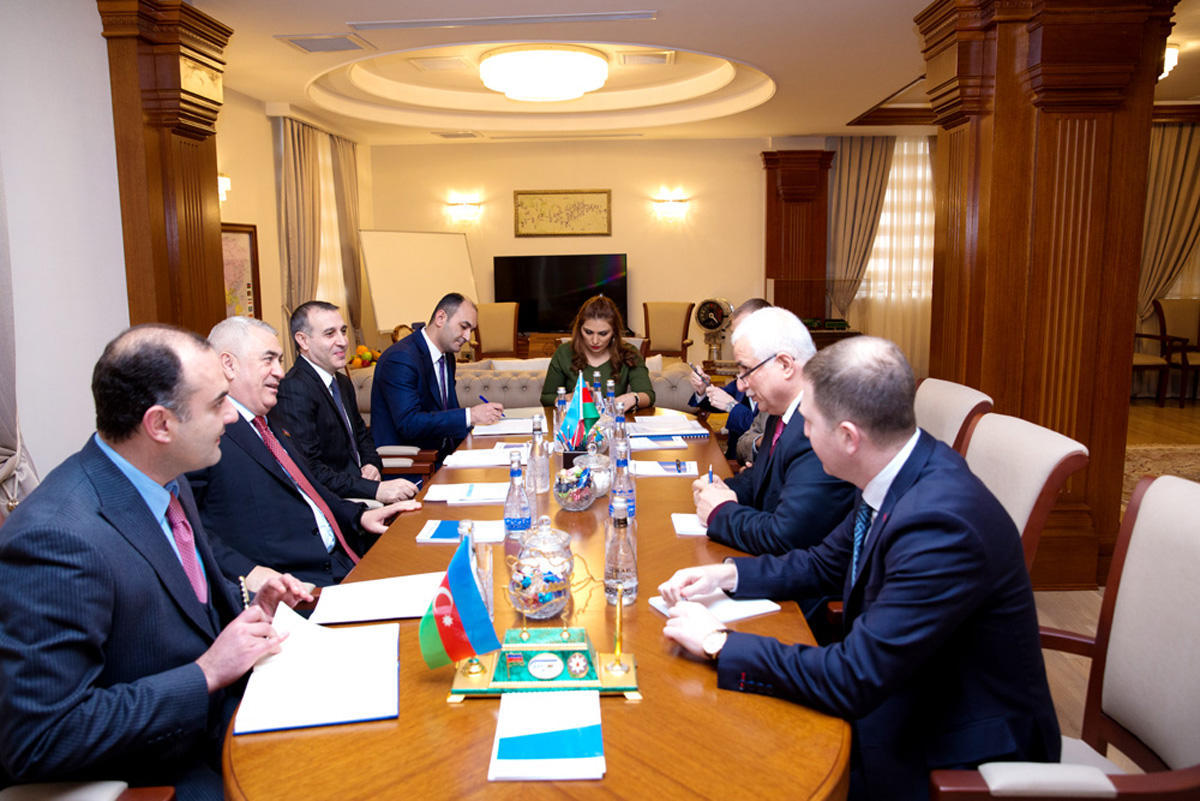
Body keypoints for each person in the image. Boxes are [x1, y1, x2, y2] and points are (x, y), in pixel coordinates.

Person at [660, 336, 1060, 801]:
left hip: (952, 751)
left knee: (736, 764)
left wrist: (718, 642)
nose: (801, 435)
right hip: (903, 690)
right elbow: (824, 562)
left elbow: (854, 678)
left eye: (809, 424)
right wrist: (727, 575)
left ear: (849, 437)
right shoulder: (898, 466)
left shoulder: (939, 525)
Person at [0, 325, 311, 801]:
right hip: (162, 772)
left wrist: (247, 608)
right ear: (160, 425)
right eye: (217, 404)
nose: (232, 415)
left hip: (232, 721)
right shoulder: (57, 537)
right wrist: (206, 673)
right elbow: (42, 737)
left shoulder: (167, 476)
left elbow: (180, 614)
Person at [188, 317, 419, 589]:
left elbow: (310, 490)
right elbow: (187, 530)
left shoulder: (269, 422)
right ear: (229, 364)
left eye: (280, 360)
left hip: (345, 558)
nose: (280, 372)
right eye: (268, 360)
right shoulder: (205, 435)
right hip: (298, 585)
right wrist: (249, 573)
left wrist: (360, 516)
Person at [691, 307, 854, 556]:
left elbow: (786, 536)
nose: (741, 385)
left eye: (746, 371)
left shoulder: (822, 425)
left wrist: (719, 512)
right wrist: (722, 489)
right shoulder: (780, 411)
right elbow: (761, 478)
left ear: (785, 364)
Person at [271, 301, 417, 503]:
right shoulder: (294, 388)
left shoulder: (342, 382)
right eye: (330, 334)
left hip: (361, 490)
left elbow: (362, 436)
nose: (342, 342)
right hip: (336, 503)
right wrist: (373, 489)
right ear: (303, 340)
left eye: (343, 331)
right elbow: (310, 470)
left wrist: (371, 464)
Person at [371, 293, 504, 464]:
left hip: (445, 456)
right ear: (441, 318)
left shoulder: (447, 357)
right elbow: (409, 423)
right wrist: (470, 415)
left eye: (471, 330)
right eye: (464, 327)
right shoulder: (400, 358)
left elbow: (447, 411)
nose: (467, 337)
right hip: (414, 464)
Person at [687, 298, 770, 461]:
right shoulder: (746, 368)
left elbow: (764, 435)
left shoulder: (775, 378)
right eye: (734, 336)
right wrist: (703, 391)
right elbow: (722, 397)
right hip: (733, 457)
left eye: (742, 335)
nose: (735, 343)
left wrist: (731, 406)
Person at [539, 294, 655, 411]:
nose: (595, 341)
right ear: (579, 329)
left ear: (614, 332)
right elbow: (546, 397)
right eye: (588, 332)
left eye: (603, 334)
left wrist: (634, 398)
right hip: (577, 421)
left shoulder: (629, 353)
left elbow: (648, 395)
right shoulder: (563, 352)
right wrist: (569, 398)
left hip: (614, 420)